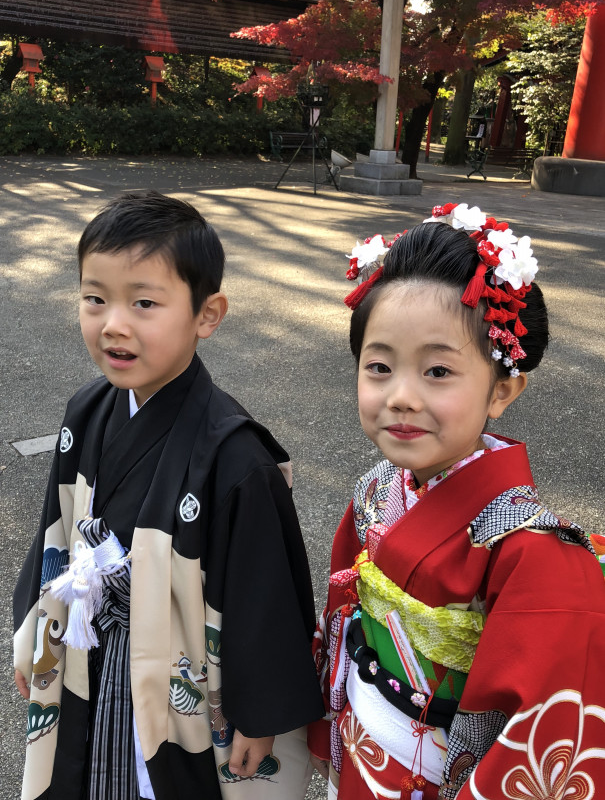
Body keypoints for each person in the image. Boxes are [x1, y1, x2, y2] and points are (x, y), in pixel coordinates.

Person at [13, 191, 324, 800]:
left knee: (162, 777)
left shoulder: (236, 456)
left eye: (144, 303)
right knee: (85, 768)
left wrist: (258, 714)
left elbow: (263, 594)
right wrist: (36, 630)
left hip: (175, 666)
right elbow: (56, 529)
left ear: (207, 315)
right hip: (91, 645)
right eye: (95, 299)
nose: (114, 324)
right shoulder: (87, 408)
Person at [307, 203, 605, 799]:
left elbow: (544, 725)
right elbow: (347, 611)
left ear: (503, 388)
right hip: (364, 741)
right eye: (380, 366)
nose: (402, 396)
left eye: (438, 371)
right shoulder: (377, 489)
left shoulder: (534, 553)